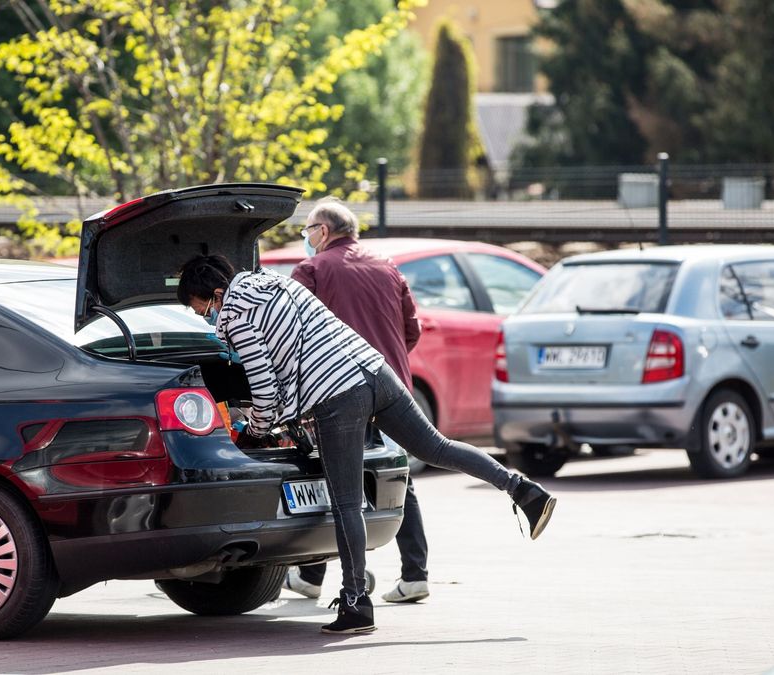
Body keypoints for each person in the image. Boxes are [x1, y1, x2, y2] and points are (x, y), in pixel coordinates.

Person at [177, 253, 556, 635]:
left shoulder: (236, 314)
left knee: (346, 504)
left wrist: (255, 430)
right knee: (436, 446)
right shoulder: (277, 282)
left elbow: (264, 389)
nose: (205, 316)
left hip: (336, 394)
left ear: (217, 294)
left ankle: (356, 604)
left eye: (201, 309)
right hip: (374, 370)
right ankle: (523, 490)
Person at [283, 199, 430, 605]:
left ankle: (313, 574)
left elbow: (295, 337)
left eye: (308, 230)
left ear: (323, 231)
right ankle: (415, 574)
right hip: (390, 385)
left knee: (333, 478)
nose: (306, 238)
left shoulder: (312, 270)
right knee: (396, 477)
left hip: (336, 391)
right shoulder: (387, 266)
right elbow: (412, 330)